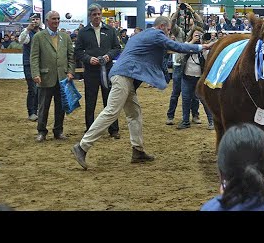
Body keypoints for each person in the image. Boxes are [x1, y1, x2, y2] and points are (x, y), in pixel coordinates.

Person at [71, 16, 215, 170]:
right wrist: (203, 47)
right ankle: (82, 146)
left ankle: (137, 150)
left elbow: (166, 49)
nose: (168, 33)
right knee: (111, 111)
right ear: (161, 27)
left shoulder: (142, 35)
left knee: (134, 114)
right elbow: (176, 46)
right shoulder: (156, 35)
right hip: (124, 76)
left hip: (125, 75)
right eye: (167, 30)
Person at [75, 3, 122, 139]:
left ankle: (114, 130)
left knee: (110, 101)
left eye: (99, 14)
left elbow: (117, 47)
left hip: (108, 71)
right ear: (90, 16)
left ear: (102, 15)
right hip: (90, 72)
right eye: (94, 14)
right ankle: (90, 129)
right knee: (90, 102)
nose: (97, 16)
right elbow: (78, 51)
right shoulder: (83, 32)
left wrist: (109, 56)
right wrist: (88, 59)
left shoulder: (110, 30)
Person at [30, 11, 75, 142]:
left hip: (62, 78)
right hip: (45, 77)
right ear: (47, 21)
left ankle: (58, 131)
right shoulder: (39, 36)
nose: (56, 21)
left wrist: (70, 71)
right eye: (53, 19)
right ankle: (41, 132)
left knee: (61, 107)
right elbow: (34, 57)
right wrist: (36, 74)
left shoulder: (65, 37)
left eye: (58, 19)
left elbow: (71, 56)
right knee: (43, 106)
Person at [18, 14, 42, 121]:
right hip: (29, 64)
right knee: (33, 88)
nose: (35, 21)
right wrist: (27, 29)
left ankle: (36, 111)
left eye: (37, 19)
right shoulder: (27, 33)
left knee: (39, 89)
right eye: (33, 19)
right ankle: (31, 112)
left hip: (40, 64)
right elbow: (21, 40)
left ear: (40, 20)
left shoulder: (43, 32)